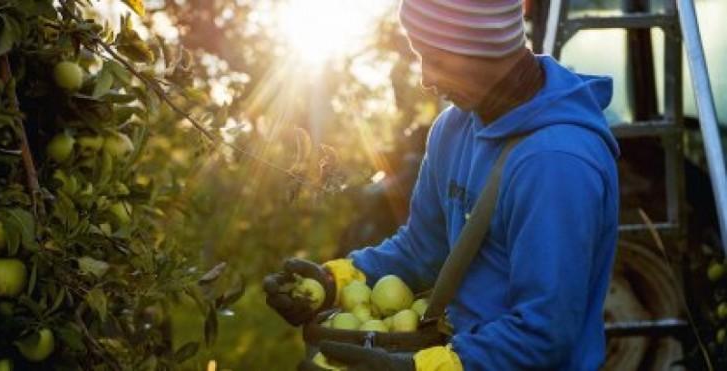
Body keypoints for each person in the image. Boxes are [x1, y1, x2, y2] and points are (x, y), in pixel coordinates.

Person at [265, 0, 620, 369]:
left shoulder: (556, 162)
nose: (425, 79)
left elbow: (543, 333)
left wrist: (421, 367)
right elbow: (422, 250)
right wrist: (332, 283)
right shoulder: (453, 129)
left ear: (482, 46)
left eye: (437, 59)